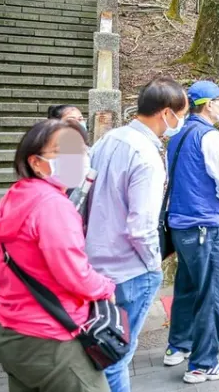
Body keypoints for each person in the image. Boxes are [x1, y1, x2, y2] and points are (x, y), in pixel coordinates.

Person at [0, 120, 115, 392]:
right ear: (36, 162)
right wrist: (106, 287)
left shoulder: (15, 197)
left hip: (11, 331)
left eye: (81, 150)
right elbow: (75, 274)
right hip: (52, 339)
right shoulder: (53, 206)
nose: (77, 159)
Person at [86, 76, 188, 392]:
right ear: (166, 113)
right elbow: (141, 226)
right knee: (117, 356)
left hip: (95, 263)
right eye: (181, 114)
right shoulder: (146, 157)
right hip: (129, 270)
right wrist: (153, 264)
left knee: (99, 350)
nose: (180, 122)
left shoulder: (108, 140)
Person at [163, 81, 219, 383]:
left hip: (180, 224)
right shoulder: (209, 136)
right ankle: (203, 364)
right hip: (204, 226)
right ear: (208, 104)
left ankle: (177, 346)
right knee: (211, 293)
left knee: (186, 287)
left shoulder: (176, 134)